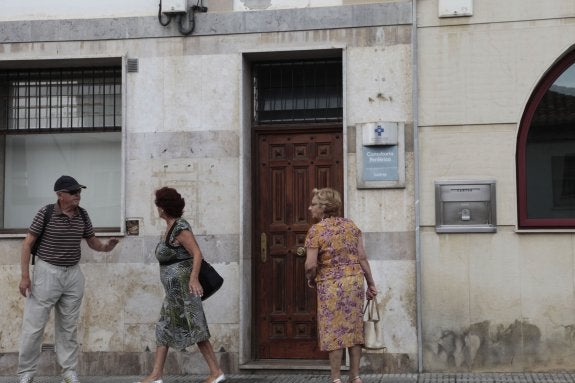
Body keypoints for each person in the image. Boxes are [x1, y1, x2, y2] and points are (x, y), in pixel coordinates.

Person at [17, 175, 120, 383]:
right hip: (47, 272)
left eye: (79, 192)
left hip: (73, 274)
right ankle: (26, 373)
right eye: (73, 192)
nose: (78, 196)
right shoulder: (45, 213)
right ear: (60, 195)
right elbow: (27, 244)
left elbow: (92, 242)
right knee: (34, 325)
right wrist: (25, 276)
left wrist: (106, 247)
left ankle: (69, 372)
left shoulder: (83, 215)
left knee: (68, 327)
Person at [134, 187, 225, 383]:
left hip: (185, 290)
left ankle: (216, 372)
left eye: (157, 204)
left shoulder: (180, 227)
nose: (156, 208)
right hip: (173, 293)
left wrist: (193, 279)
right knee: (163, 328)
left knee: (196, 327)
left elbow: (197, 253)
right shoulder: (170, 227)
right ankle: (156, 375)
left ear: (163, 208)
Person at [304, 187, 378, 383]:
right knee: (354, 329)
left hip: (330, 285)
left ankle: (336, 379)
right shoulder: (351, 227)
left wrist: (311, 278)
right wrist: (371, 284)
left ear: (323, 208)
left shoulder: (316, 231)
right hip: (354, 282)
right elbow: (362, 258)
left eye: (313, 205)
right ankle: (355, 377)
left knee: (333, 329)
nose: (309, 208)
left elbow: (310, 264)